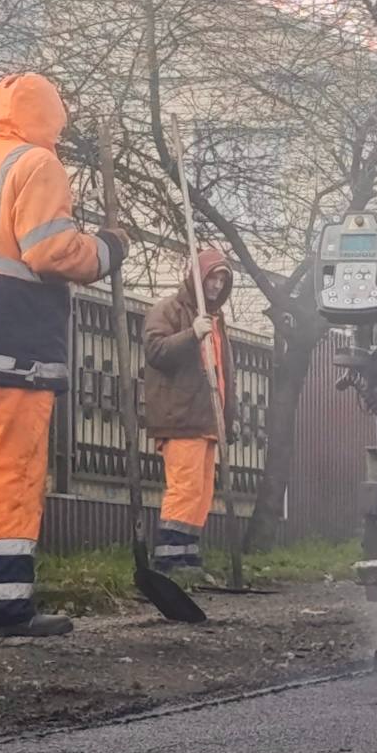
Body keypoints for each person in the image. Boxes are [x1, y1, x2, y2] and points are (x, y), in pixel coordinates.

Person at [0, 73, 124, 639]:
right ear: (50, 117)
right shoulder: (36, 165)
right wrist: (109, 249)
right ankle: (7, 607)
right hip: (13, 346)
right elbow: (50, 251)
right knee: (12, 472)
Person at [142, 245, 233, 574]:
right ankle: (169, 559)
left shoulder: (216, 321)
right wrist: (190, 335)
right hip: (180, 417)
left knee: (201, 492)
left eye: (222, 281)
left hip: (207, 421)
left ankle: (188, 558)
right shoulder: (168, 310)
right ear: (196, 277)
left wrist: (227, 420)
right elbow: (155, 351)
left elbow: (223, 376)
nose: (216, 286)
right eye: (212, 278)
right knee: (185, 489)